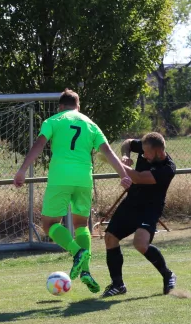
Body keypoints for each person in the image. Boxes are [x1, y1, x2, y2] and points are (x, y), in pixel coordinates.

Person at [14, 89, 131, 293]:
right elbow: (108, 152)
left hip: (61, 178)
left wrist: (23, 170)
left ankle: (77, 252)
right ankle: (85, 271)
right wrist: (123, 175)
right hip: (84, 179)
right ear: (79, 106)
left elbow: (39, 145)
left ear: (61, 106)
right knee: (80, 224)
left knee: (49, 223)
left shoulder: (53, 120)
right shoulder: (90, 124)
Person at [101, 132, 177, 297]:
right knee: (110, 238)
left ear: (158, 152)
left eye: (146, 153)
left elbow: (137, 177)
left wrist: (113, 162)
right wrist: (124, 156)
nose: (143, 155)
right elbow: (127, 142)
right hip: (131, 203)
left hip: (150, 209)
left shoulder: (167, 169)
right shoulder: (146, 147)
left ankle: (168, 275)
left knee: (140, 244)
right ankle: (118, 284)